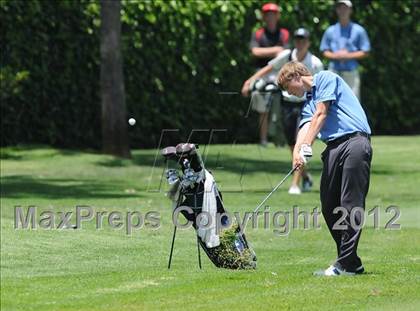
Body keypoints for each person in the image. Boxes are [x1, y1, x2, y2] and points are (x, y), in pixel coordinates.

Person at [277, 61, 372, 276]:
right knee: (329, 205)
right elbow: (305, 126)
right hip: (333, 149)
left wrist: (307, 145)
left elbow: (321, 114)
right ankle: (351, 262)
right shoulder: (308, 102)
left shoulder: (326, 78)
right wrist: (296, 155)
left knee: (350, 204)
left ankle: (344, 264)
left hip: (354, 143)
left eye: (287, 87)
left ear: (296, 77)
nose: (289, 93)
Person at [242, 28, 323, 195]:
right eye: (298, 39)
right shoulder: (287, 56)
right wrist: (250, 81)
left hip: (306, 106)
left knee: (300, 144)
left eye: (304, 40)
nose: (300, 43)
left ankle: (295, 184)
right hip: (287, 104)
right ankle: (305, 176)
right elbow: (269, 67)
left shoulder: (315, 62)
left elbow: (320, 86)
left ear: (308, 43)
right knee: (292, 143)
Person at [249, 2, 290, 147]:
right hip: (261, 74)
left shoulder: (284, 33)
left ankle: (280, 141)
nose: (270, 17)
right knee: (262, 110)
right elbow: (255, 52)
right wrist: (275, 50)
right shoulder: (258, 33)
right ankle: (263, 140)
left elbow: (285, 53)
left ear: (277, 16)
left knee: (279, 109)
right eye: (267, 14)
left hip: (279, 74)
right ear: (264, 17)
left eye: (273, 14)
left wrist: (267, 51)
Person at [320, 0, 370, 99]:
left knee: (353, 101)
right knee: (331, 101)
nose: (342, 10)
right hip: (333, 71)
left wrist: (347, 56)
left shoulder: (359, 30)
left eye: (345, 8)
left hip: (351, 72)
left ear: (350, 10)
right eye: (340, 8)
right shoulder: (330, 30)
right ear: (337, 10)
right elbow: (324, 50)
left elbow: (365, 51)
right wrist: (336, 56)